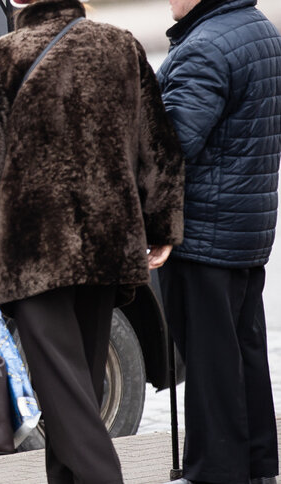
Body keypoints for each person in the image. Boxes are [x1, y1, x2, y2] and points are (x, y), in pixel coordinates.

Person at [0, 0, 185, 482]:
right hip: (106, 247)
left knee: (65, 395)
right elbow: (158, 146)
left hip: (35, 253)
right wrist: (161, 225)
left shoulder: (1, 57)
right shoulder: (121, 46)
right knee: (78, 387)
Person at [155, 0, 281, 483]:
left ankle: (214, 472)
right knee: (243, 352)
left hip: (205, 230)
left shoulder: (205, 47)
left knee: (211, 362)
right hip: (245, 227)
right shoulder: (256, 28)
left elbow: (170, 144)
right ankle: (257, 466)